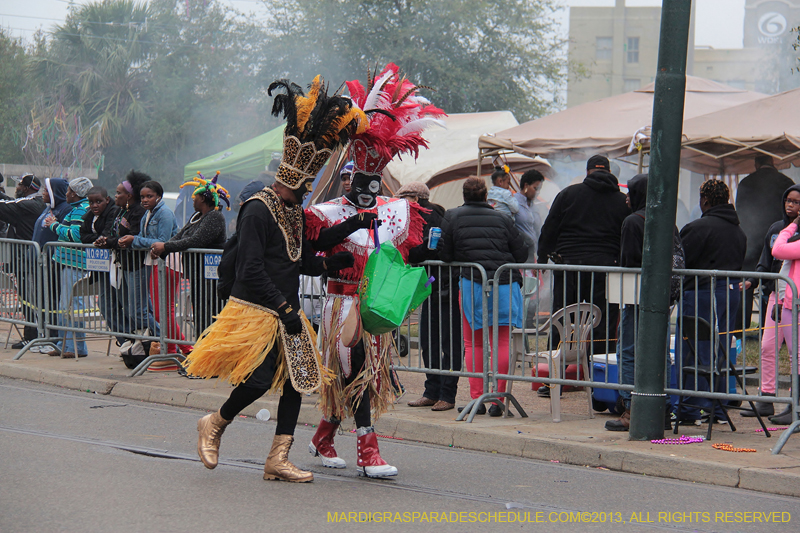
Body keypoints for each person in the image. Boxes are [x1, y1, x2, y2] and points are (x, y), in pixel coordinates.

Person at [182, 75, 360, 483]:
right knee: (261, 379)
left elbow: (293, 262)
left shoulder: (294, 210)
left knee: (298, 383)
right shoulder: (257, 210)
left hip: (287, 309)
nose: (311, 188)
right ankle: (215, 422)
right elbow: (251, 268)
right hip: (259, 310)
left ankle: (277, 459)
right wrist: (283, 308)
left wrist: (329, 265)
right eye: (308, 182)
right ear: (295, 178)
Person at [305, 63, 441, 478]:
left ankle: (324, 435)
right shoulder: (327, 213)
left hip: (374, 308)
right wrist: (335, 254)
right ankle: (367, 449)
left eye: (367, 180)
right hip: (341, 307)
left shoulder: (393, 212)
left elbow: (413, 248)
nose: (360, 187)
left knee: (360, 374)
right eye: (352, 179)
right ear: (346, 180)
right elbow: (311, 245)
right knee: (355, 370)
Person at [439, 177, 528, 416]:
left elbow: (445, 254)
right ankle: (498, 399)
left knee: (473, 343)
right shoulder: (502, 217)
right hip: (505, 283)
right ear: (486, 195)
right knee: (501, 342)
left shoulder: (452, 216)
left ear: (464, 195)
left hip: (472, 284)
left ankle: (477, 398)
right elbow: (521, 251)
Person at [538, 154, 629, 374]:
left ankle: (555, 378)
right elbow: (628, 235)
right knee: (604, 325)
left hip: (570, 268)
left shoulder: (568, 194)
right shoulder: (622, 200)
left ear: (587, 172)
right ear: (610, 173)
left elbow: (549, 229)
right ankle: (601, 380)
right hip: (607, 270)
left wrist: (543, 258)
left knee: (563, 321)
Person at [604, 174, 677, 432]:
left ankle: (631, 409)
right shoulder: (667, 219)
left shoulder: (633, 221)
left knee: (628, 350)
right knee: (659, 353)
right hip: (662, 298)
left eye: (630, 192)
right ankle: (663, 409)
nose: (626, 198)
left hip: (635, 297)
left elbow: (629, 262)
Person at [676, 179, 746, 423]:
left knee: (693, 350)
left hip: (701, 293)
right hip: (730, 294)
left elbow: (682, 263)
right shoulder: (738, 230)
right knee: (722, 350)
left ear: (704, 200)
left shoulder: (697, 228)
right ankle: (718, 408)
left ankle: (689, 409)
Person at [399, 182, 462, 412]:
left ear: (415, 197)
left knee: (448, 342)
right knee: (429, 341)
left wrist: (418, 252)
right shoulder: (418, 215)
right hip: (432, 287)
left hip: (444, 285)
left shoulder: (430, 215)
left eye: (404, 198)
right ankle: (432, 391)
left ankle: (447, 394)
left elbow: (429, 250)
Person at [740, 185, 800, 418]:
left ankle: (794, 404)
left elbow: (778, 252)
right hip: (776, 297)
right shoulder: (776, 228)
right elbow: (765, 260)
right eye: (788, 200)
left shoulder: (792, 233)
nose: (790, 205)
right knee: (767, 347)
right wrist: (753, 281)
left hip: (793, 300)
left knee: (795, 353)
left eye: (795, 201)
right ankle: (766, 397)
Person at [150, 172, 228, 340]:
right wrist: (163, 248)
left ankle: (211, 352)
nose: (193, 199)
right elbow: (181, 235)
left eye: (196, 197)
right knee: (199, 315)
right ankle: (202, 351)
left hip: (211, 278)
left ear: (204, 198)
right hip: (197, 275)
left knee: (211, 315)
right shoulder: (196, 216)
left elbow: (196, 240)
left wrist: (166, 246)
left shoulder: (215, 217)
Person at [94, 171, 159, 346]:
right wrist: (104, 239)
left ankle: (161, 340)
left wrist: (111, 241)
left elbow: (132, 237)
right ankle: (134, 343)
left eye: (118, 193)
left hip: (136, 265)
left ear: (129, 195)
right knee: (130, 310)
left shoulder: (138, 212)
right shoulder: (118, 210)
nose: (115, 196)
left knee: (137, 311)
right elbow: (111, 232)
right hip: (121, 265)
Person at [122, 180, 182, 366]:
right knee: (159, 311)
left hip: (168, 263)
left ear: (159, 196)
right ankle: (172, 349)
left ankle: (182, 349)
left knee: (164, 310)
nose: (145, 200)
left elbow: (161, 241)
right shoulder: (148, 214)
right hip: (154, 262)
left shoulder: (164, 213)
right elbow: (146, 239)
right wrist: (135, 240)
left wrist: (134, 240)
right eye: (143, 197)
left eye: (150, 196)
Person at [735, 155, 794, 336]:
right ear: (773, 162)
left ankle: (740, 329)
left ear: (756, 164)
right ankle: (773, 329)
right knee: (776, 287)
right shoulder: (786, 182)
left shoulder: (745, 183)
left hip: (750, 242)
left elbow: (739, 212)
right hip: (778, 242)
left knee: (745, 286)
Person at [45, 176, 92, 358]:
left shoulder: (81, 210)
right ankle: (64, 343)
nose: (66, 194)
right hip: (69, 262)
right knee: (66, 306)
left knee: (72, 306)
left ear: (75, 193)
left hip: (75, 264)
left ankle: (76, 347)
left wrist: (54, 226)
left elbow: (76, 235)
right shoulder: (77, 209)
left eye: (68, 191)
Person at [0, 174, 46, 349]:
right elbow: (9, 202)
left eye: (19, 184)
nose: (17, 187)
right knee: (31, 299)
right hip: (29, 260)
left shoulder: (29, 205)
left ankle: (32, 337)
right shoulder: (31, 203)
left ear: (27, 188)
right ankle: (34, 335)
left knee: (30, 299)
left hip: (29, 261)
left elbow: (5, 206)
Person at [766, 213, 800, 425]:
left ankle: (795, 409)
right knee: (795, 357)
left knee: (796, 358)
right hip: (790, 303)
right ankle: (793, 406)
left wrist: (791, 227)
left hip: (794, 305)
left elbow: (777, 250)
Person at [513, 169, 546, 264]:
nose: (538, 192)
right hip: (519, 256)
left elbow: (538, 231)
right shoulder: (513, 202)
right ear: (526, 186)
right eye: (535, 188)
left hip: (533, 256)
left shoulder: (534, 207)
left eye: (539, 189)